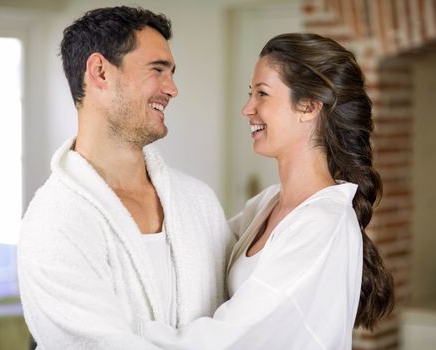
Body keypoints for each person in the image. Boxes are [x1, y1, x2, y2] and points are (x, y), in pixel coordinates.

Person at [139, 33, 395, 349]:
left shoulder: (322, 224)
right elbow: (196, 248)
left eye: (262, 94)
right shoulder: (268, 203)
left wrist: (123, 335)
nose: (248, 108)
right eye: (251, 93)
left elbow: (233, 338)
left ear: (309, 107)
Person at [17, 6, 233, 349]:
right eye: (158, 70)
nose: (172, 89)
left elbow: (235, 322)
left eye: (172, 73)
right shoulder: (54, 221)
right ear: (100, 71)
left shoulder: (198, 201)